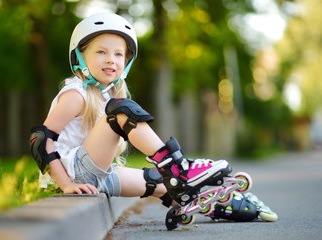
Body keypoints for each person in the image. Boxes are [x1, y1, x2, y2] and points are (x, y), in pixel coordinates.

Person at [29, 13, 276, 227]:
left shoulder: (105, 95)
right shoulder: (76, 94)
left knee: (162, 182)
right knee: (121, 112)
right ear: (81, 55)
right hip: (75, 175)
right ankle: (181, 168)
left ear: (126, 62)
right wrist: (65, 184)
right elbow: (40, 139)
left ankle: (224, 204)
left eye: (118, 54)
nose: (110, 60)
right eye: (101, 52)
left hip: (98, 174)